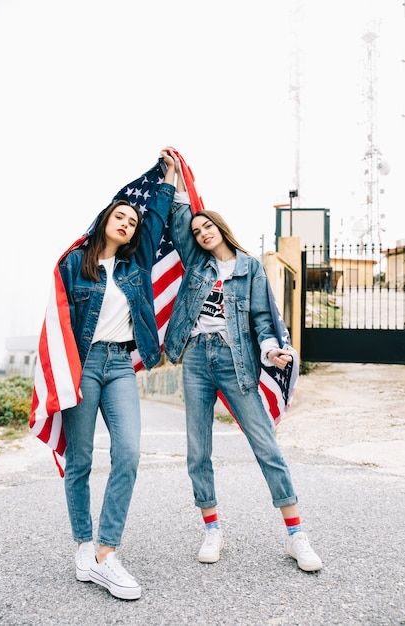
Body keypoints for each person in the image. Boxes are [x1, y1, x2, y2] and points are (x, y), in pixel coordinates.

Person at [164, 154, 322, 572]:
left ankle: (295, 535)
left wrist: (271, 350)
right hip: (196, 357)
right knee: (198, 450)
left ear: (221, 227)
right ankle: (212, 528)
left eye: (207, 226)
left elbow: (261, 318)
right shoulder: (196, 263)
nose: (200, 234)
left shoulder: (250, 267)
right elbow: (179, 222)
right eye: (197, 231)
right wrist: (174, 179)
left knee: (266, 446)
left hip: (237, 360)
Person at [58, 148, 177, 600]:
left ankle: (108, 553)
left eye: (132, 220)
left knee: (127, 453)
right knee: (81, 460)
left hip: (121, 365)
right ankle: (84, 545)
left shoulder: (135, 265)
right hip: (83, 366)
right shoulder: (75, 265)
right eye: (121, 216)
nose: (127, 222)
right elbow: (58, 323)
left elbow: (158, 217)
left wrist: (168, 178)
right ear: (105, 218)